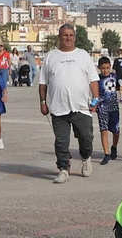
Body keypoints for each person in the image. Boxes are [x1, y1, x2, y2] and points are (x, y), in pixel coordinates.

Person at [39, 22, 96, 183]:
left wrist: (96, 98)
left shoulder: (83, 55)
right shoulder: (51, 56)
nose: (68, 38)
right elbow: (43, 83)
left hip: (82, 106)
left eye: (71, 35)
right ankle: (63, 169)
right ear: (59, 37)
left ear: (75, 37)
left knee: (86, 137)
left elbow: (93, 79)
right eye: (65, 35)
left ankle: (86, 158)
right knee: (61, 142)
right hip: (59, 107)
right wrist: (43, 102)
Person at [94, 55, 121, 163]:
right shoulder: (96, 79)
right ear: (99, 68)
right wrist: (94, 105)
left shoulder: (114, 76)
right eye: (103, 68)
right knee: (104, 130)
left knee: (116, 131)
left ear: (110, 67)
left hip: (114, 107)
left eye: (107, 68)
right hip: (102, 108)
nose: (105, 70)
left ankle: (114, 147)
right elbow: (95, 94)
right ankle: (106, 153)